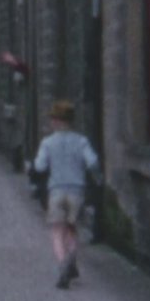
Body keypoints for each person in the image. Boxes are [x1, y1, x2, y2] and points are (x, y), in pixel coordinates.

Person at [31, 99, 101, 289]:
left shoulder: (47, 142)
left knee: (56, 231)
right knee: (71, 228)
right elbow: (93, 162)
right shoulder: (81, 141)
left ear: (56, 121)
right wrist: (95, 177)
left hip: (56, 191)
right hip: (77, 191)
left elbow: (40, 166)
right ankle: (71, 258)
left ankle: (63, 265)